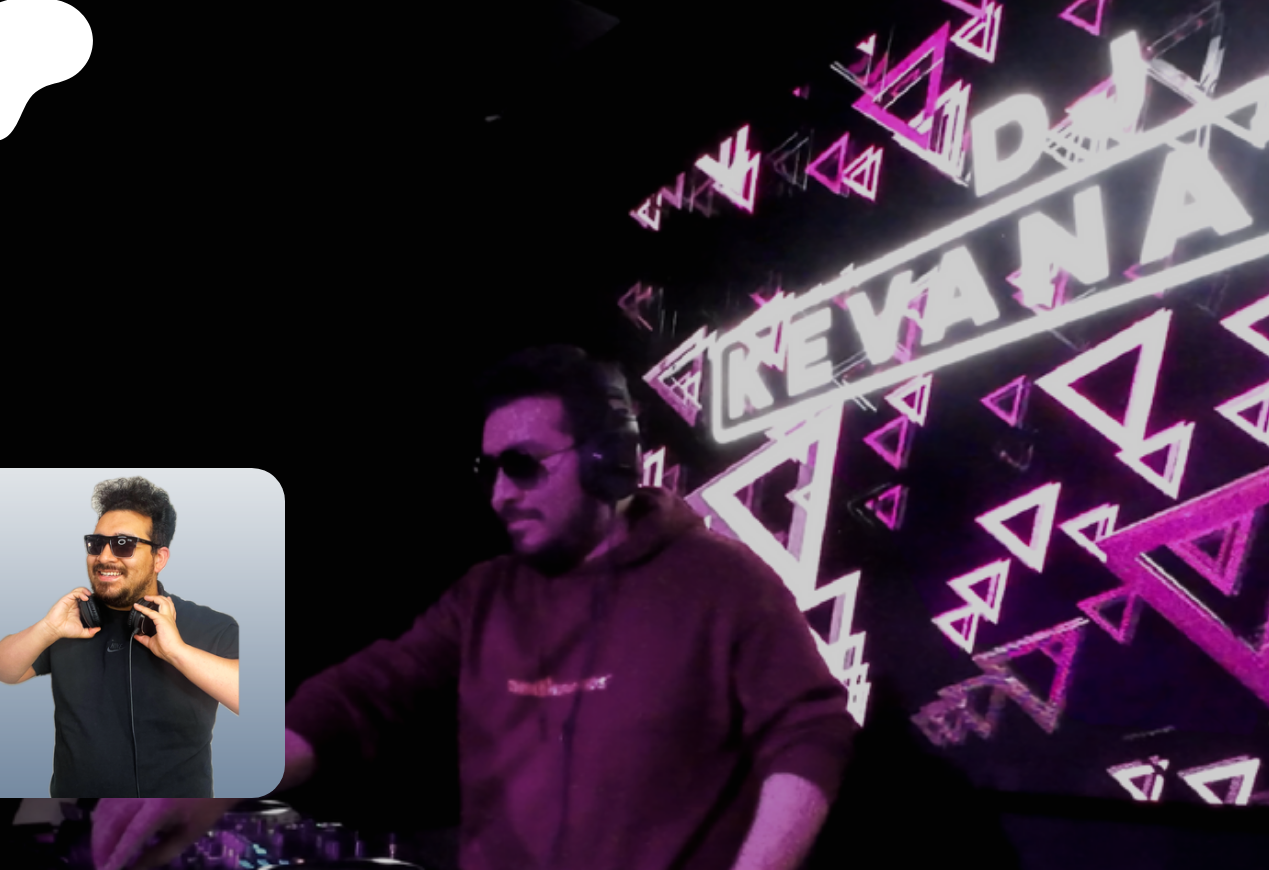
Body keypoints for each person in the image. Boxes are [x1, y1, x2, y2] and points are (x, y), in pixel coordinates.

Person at [91, 345, 858, 870]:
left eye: (524, 465)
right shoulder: (486, 596)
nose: (499, 495)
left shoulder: (720, 581)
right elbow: (364, 695)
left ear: (609, 460)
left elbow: (811, 730)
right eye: (489, 469)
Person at [0, 476, 241, 797]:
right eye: (96, 544)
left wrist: (177, 652)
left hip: (176, 816)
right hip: (77, 813)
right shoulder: (71, 621)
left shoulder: (211, 625)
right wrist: (48, 629)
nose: (105, 557)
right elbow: (1, 670)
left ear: (159, 558)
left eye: (123, 544)